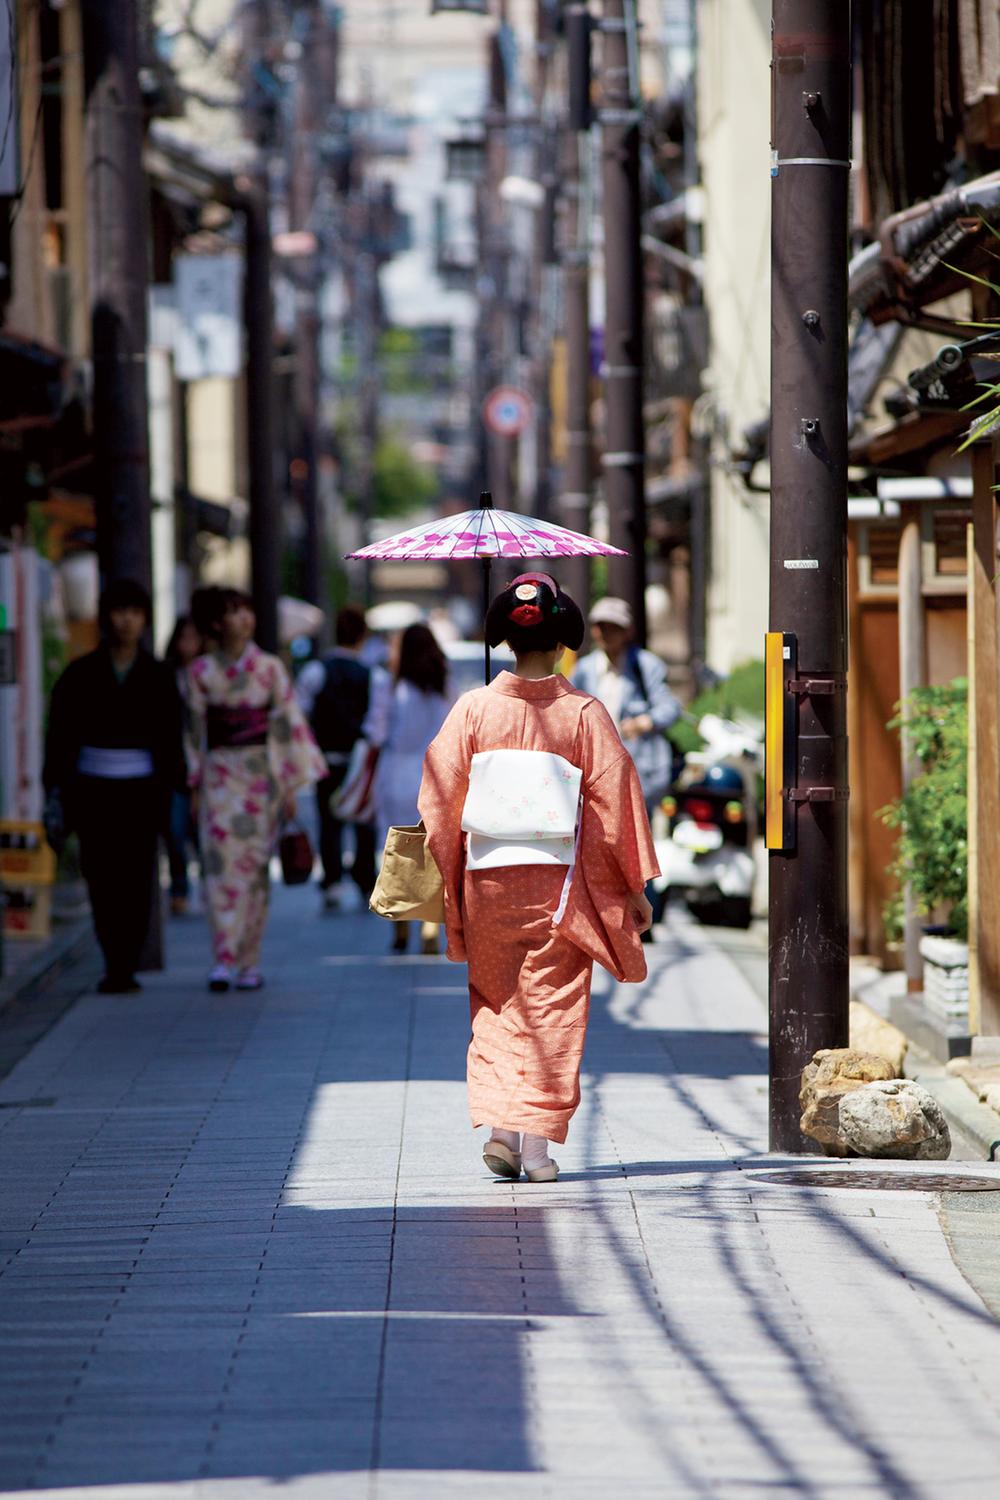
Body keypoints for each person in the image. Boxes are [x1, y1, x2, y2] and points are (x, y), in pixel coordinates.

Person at [418, 573, 658, 1183]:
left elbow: (439, 800)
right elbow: (614, 804)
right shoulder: (584, 714)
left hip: (487, 880)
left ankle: (502, 1130)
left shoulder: (472, 709)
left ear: (506, 641)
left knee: (497, 1002)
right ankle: (535, 1149)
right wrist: (633, 888)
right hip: (559, 885)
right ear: (561, 645)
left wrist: (450, 878)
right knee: (551, 1006)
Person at [42, 579, 184, 995]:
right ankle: (113, 962)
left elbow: (171, 739)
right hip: (93, 790)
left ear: (144, 619)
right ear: (107, 617)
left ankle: (127, 962)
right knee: (101, 876)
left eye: (135, 612)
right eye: (120, 612)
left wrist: (175, 788)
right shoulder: (80, 674)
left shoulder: (158, 676)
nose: (127, 621)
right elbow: (60, 736)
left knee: (138, 877)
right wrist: (56, 787)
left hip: (142, 791)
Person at [186, 587, 326, 992]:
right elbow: (192, 733)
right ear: (217, 623)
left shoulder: (269, 668)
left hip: (260, 777)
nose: (245, 619)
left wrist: (287, 787)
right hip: (218, 775)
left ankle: (249, 960)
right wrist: (194, 783)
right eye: (235, 612)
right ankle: (222, 957)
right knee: (218, 868)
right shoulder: (200, 672)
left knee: (255, 869)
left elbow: (285, 726)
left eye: (247, 611)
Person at [571, 596, 681, 937]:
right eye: (601, 626)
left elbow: (670, 708)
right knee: (599, 843)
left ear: (627, 630)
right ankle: (605, 915)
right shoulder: (585, 668)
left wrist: (645, 722)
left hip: (639, 769)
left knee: (636, 843)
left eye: (614, 627)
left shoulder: (645, 665)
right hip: (594, 770)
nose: (606, 633)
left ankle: (642, 917)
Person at [295, 604, 391, 909]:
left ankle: (333, 880)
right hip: (360, 760)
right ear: (363, 635)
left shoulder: (315, 671)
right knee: (363, 820)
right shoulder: (374, 676)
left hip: (325, 758)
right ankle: (365, 881)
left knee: (329, 820)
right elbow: (377, 725)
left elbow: (300, 713)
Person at [366, 622, 451, 955]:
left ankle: (400, 921)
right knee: (434, 849)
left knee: (396, 847)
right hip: (435, 775)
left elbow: (376, 730)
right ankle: (430, 925)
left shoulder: (389, 684)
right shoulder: (444, 684)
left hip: (396, 773)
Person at [163, 615, 204, 915]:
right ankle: (179, 888)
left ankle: (209, 886)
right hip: (175, 765)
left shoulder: (210, 675)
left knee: (204, 834)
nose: (188, 645)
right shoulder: (167, 675)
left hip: (207, 765)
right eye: (183, 638)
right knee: (175, 833)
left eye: (193, 638)